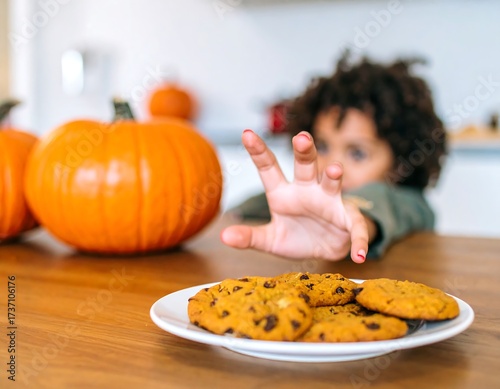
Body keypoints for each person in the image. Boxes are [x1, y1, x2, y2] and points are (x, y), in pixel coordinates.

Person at [220, 52, 446, 263]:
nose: (332, 166)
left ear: (400, 163)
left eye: (357, 153)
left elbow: (377, 200)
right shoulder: (319, 194)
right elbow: (272, 203)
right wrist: (237, 213)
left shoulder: (412, 204)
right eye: (323, 147)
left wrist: (354, 221)